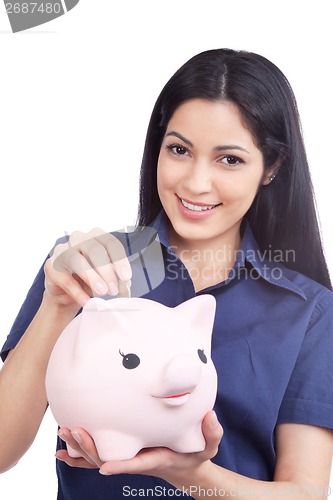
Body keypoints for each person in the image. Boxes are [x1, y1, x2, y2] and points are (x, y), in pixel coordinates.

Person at [1, 48, 333, 500]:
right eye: (179, 150)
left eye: (229, 159)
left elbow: (306, 493)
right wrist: (57, 305)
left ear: (271, 167)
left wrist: (187, 474)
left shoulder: (307, 310)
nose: (196, 183)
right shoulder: (85, 266)